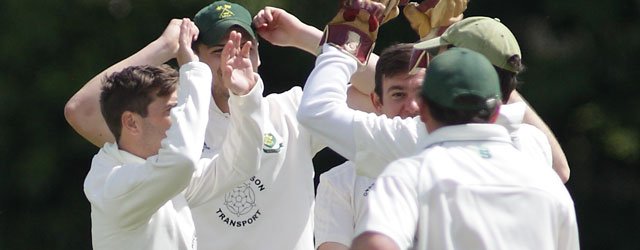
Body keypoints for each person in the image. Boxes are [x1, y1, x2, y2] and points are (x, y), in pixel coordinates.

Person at [64, 2, 377, 249]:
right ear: (194, 59)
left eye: (245, 49)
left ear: (258, 58)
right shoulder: (169, 124)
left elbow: (384, 91)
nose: (233, 59)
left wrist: (304, 37)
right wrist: (166, 46)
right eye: (218, 51)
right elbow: (82, 111)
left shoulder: (293, 110)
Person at [350, 47, 579, 250]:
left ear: (424, 110)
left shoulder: (410, 174)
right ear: (498, 111)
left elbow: (375, 245)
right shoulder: (547, 182)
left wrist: (342, 42)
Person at [84, 19, 208, 249]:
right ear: (131, 122)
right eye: (172, 110)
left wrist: (245, 97)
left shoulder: (155, 167)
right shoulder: (114, 185)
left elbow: (239, 165)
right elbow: (183, 160)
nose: (180, 120)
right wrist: (194, 70)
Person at [412, 16, 570, 182]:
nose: (431, 66)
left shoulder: (420, 131)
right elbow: (561, 171)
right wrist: (504, 77)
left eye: (440, 60)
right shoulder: (532, 140)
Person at [314, 43, 424, 250]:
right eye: (398, 94)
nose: (412, 107)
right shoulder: (339, 182)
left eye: (421, 93)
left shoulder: (466, 157)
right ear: (376, 102)